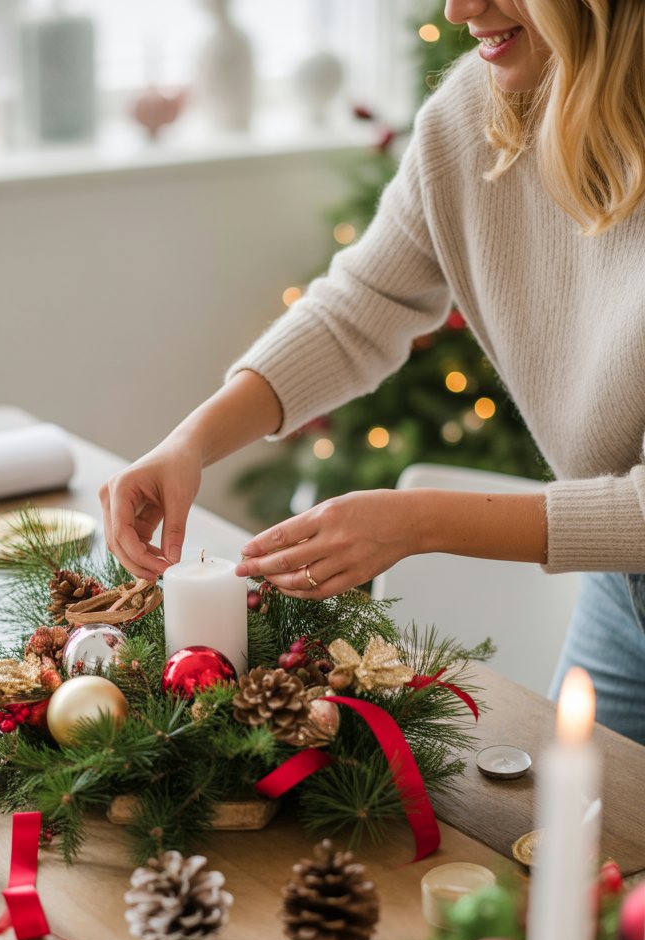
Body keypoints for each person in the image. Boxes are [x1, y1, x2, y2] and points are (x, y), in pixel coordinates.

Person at [101, 0, 645, 745]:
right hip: (625, 595)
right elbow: (362, 305)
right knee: (585, 840)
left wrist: (415, 520)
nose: (460, 10)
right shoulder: (474, 113)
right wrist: (190, 442)